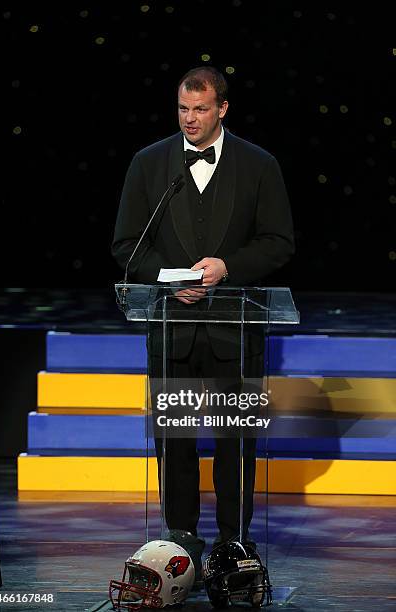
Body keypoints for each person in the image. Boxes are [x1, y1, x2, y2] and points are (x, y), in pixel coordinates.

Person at [112, 66, 294, 580]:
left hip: (236, 334)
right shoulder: (149, 164)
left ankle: (234, 544)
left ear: (222, 109)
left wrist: (226, 268)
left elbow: (279, 242)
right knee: (176, 444)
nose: (190, 119)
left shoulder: (260, 165)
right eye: (183, 109)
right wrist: (171, 279)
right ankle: (180, 542)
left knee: (237, 445)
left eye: (200, 109)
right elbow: (127, 245)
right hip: (172, 330)